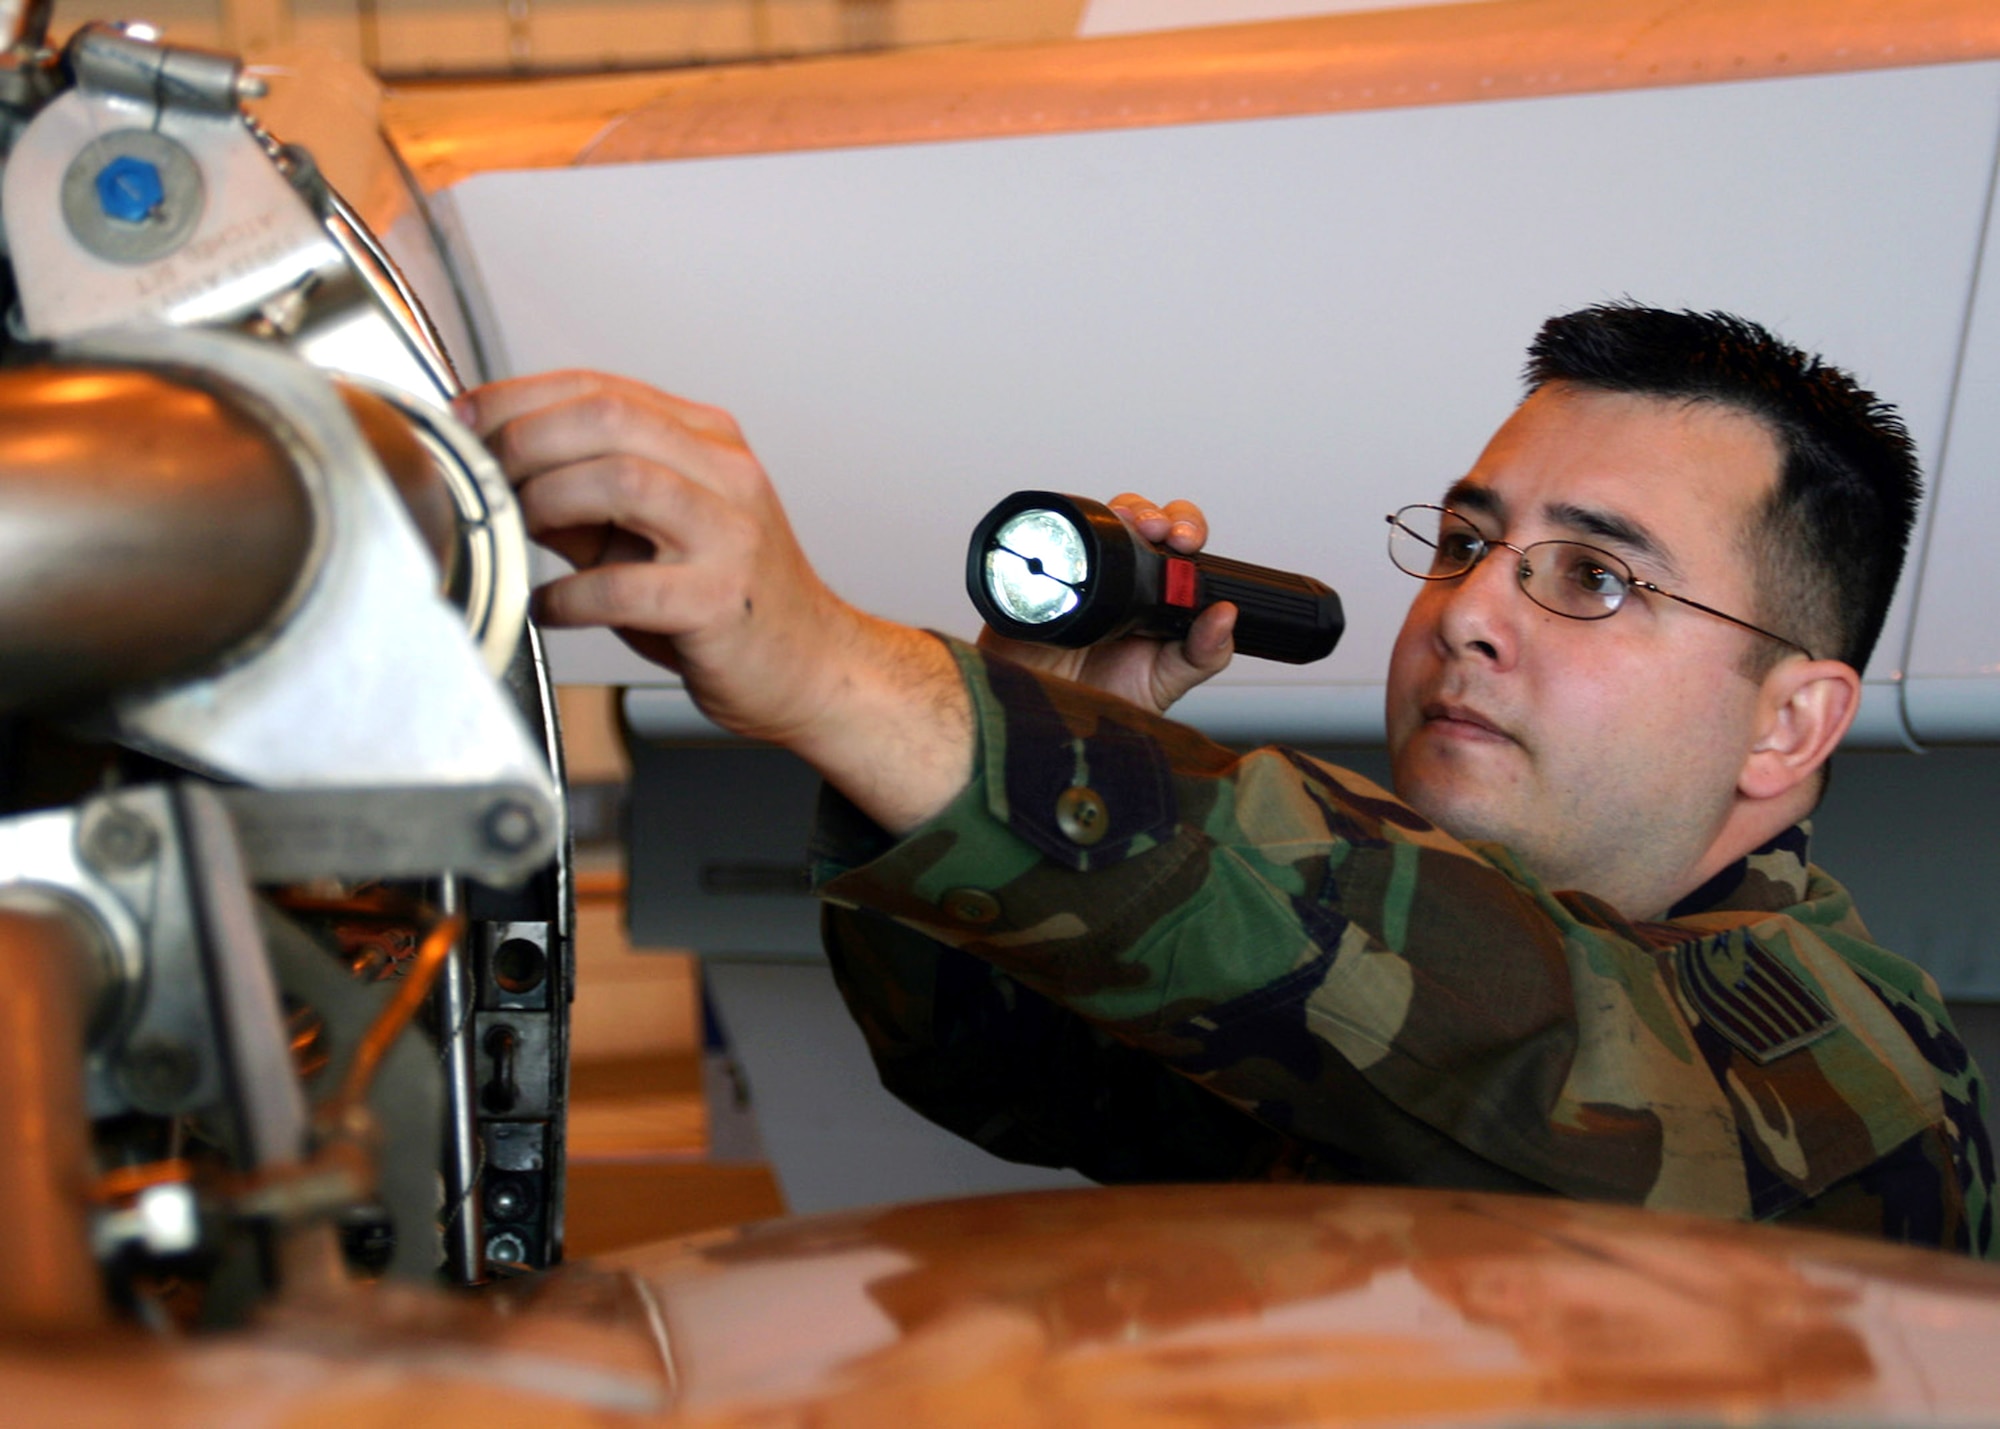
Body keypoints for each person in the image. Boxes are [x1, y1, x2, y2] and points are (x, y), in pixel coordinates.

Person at [459, 303, 1993, 1254]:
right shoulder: (1457, 965)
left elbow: (1521, 1032)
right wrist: (1030, 710)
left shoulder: (1853, 1074)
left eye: (1591, 578)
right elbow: (1014, 1076)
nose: (1466, 610)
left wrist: (835, 669)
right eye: (1467, 544)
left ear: (1790, 723)